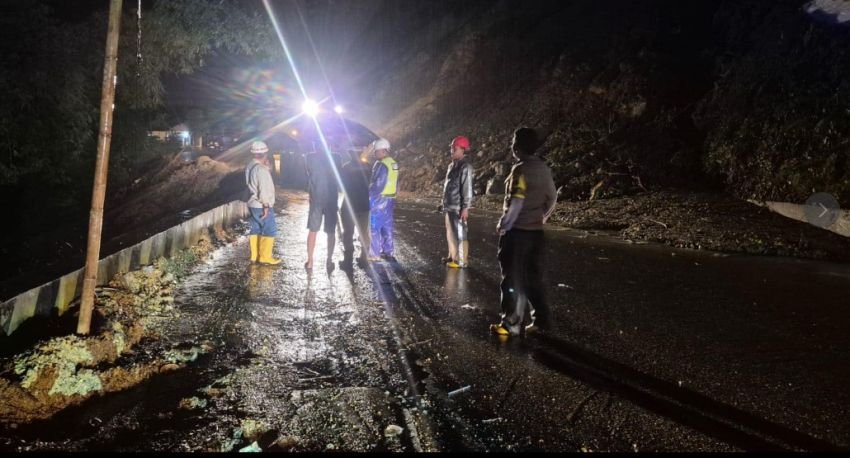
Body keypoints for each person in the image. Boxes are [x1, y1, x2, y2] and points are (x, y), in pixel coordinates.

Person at [491, 127, 557, 338]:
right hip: (536, 233)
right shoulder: (544, 169)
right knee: (533, 278)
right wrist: (541, 217)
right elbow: (552, 198)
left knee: (511, 279)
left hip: (517, 233)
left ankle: (511, 323)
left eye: (513, 142)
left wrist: (505, 223)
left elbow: (516, 202)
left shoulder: (520, 170)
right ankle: (541, 322)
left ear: (517, 147)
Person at [304, 147, 342, 271]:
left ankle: (310, 261)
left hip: (316, 199)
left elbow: (308, 175)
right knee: (331, 231)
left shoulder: (310, 157)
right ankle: (329, 260)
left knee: (313, 230)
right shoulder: (336, 157)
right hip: (331, 199)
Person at [245, 141, 281, 265]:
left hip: (253, 203)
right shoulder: (261, 169)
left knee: (255, 229)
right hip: (261, 205)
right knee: (270, 229)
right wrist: (266, 206)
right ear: (265, 153)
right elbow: (264, 189)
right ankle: (265, 257)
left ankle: (254, 256)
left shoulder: (250, 166)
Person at [442, 135, 474, 268]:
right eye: (451, 148)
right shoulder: (451, 166)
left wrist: (466, 207)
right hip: (449, 206)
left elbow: (467, 188)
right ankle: (452, 256)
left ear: (463, 150)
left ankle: (461, 260)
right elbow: (448, 186)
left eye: (454, 149)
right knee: (450, 232)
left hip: (458, 207)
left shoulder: (465, 167)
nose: (452, 151)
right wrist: (443, 202)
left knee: (460, 233)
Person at [339, 148, 371, 270]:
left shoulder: (345, 168)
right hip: (364, 205)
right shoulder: (368, 167)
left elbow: (341, 187)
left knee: (348, 232)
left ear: (350, 154)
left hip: (349, 205)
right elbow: (371, 183)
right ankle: (364, 259)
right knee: (364, 232)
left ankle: (348, 261)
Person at [368, 138, 399, 262]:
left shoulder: (381, 164)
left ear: (384, 151)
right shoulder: (393, 163)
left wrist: (369, 194)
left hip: (379, 199)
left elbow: (378, 184)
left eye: (376, 151)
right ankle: (388, 251)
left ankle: (374, 254)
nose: (375, 153)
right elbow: (396, 181)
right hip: (390, 199)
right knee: (387, 226)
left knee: (374, 226)